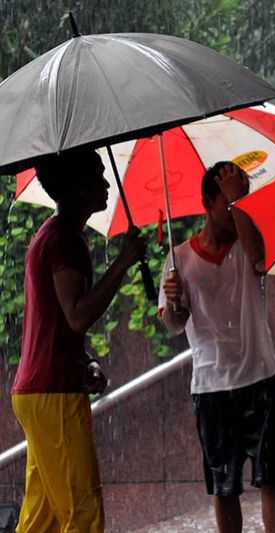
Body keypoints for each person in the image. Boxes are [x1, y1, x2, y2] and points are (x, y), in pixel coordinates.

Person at [11, 148, 146, 533]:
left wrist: (84, 361)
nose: (106, 184)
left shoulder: (55, 236)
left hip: (39, 391)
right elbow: (77, 315)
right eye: (96, 177)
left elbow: (57, 322)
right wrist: (122, 263)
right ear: (75, 188)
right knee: (82, 514)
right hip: (53, 392)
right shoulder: (63, 239)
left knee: (44, 517)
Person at [159, 161, 275, 533]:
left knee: (272, 478)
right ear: (207, 202)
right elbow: (173, 325)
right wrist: (175, 304)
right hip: (212, 387)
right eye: (228, 201)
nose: (237, 207)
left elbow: (261, 260)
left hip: (262, 377)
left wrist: (238, 204)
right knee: (223, 485)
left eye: (243, 198)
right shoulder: (179, 259)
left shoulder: (248, 243)